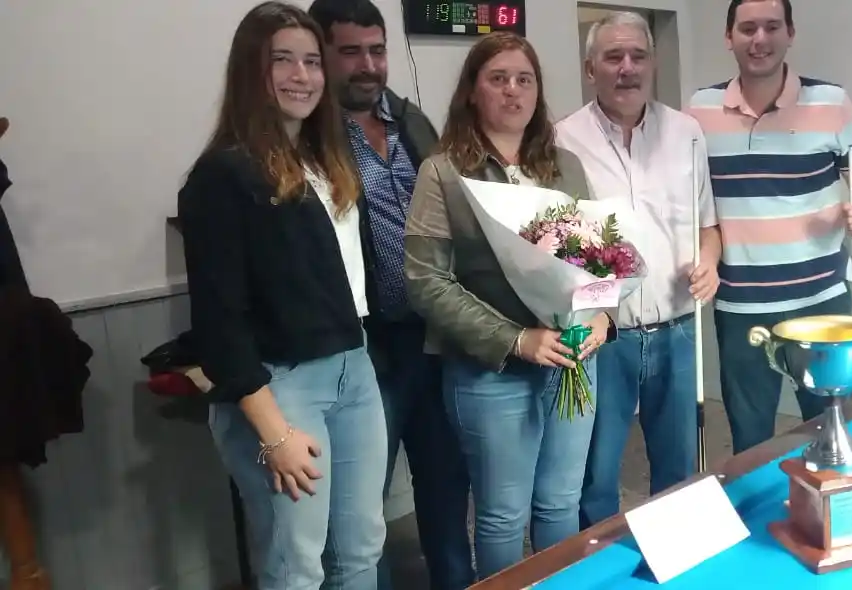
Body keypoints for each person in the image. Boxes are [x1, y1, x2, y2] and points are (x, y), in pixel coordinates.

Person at [177, 2, 387, 588]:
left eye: (313, 62)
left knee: (363, 549)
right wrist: (273, 432)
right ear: (252, 71)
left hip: (354, 369)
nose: (303, 76)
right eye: (284, 62)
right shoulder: (223, 174)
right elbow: (219, 322)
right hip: (281, 386)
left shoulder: (326, 160)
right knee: (296, 566)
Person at [402, 32, 611, 580]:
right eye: (498, 79)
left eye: (525, 80)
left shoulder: (564, 166)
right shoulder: (443, 173)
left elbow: (598, 263)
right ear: (473, 91)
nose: (513, 91)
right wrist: (516, 339)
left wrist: (600, 318)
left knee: (560, 504)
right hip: (489, 372)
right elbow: (426, 283)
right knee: (501, 516)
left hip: (572, 361)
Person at [305, 2, 473, 588]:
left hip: (434, 336)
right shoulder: (309, 134)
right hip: (366, 345)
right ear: (321, 53)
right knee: (361, 505)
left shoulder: (410, 120)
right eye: (350, 51)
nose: (368, 65)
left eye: (376, 50)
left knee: (448, 484)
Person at [686, 0, 852, 454]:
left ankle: (822, 518)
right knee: (750, 440)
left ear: (790, 33)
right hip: (740, 306)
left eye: (772, 27)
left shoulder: (831, 103)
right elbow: (699, 206)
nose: (760, 39)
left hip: (822, 300)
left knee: (829, 431)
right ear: (728, 36)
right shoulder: (700, 110)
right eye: (748, 28)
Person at [555, 11, 720, 528]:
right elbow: (556, 247)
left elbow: (708, 225)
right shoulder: (561, 138)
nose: (628, 68)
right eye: (613, 57)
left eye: (639, 56)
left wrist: (710, 263)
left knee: (678, 473)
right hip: (601, 338)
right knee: (595, 477)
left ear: (652, 63)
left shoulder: (687, 132)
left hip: (676, 331)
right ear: (589, 69)